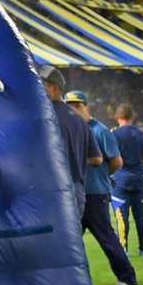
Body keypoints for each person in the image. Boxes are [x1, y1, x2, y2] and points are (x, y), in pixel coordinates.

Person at [64, 90, 139, 285]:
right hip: (77, 193)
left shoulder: (100, 131)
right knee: (69, 241)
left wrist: (102, 175)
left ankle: (128, 278)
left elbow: (116, 161)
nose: (73, 109)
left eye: (77, 105)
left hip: (95, 193)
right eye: (69, 105)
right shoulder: (71, 128)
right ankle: (71, 283)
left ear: (86, 106)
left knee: (105, 237)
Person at [39, 65, 101, 220]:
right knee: (72, 241)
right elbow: (97, 158)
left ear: (54, 88)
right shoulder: (80, 119)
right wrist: (75, 159)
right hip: (76, 190)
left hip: (52, 189)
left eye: (41, 83)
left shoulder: (43, 114)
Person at [111, 104, 143, 255]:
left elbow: (111, 157)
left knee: (122, 217)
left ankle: (124, 249)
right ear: (132, 117)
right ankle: (142, 248)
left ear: (117, 117)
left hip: (120, 180)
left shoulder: (114, 135)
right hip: (138, 179)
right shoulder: (141, 135)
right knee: (140, 215)